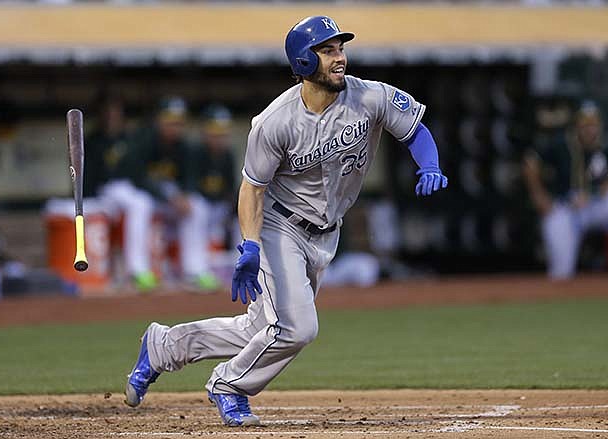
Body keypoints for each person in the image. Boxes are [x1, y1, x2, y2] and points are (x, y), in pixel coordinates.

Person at [123, 16, 448, 426]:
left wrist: (430, 164)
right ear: (304, 61)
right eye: (327, 50)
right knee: (297, 328)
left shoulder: (368, 96)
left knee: (258, 330)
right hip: (281, 226)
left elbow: (414, 129)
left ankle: (163, 347)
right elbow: (252, 188)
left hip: (327, 233)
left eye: (340, 48)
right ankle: (230, 385)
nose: (339, 57)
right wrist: (250, 245)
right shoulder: (275, 121)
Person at [133, 97, 221, 291]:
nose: (174, 126)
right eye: (170, 121)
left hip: (168, 200)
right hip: (144, 195)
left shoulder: (183, 146)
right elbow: (138, 178)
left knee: (197, 206)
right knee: (139, 205)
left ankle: (195, 271)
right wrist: (170, 197)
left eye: (178, 122)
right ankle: (138, 271)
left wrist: (184, 196)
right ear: (159, 120)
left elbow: (189, 179)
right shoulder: (145, 139)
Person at [523, 100, 608, 279]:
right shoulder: (561, 143)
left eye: (593, 124)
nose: (589, 129)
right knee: (561, 271)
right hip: (565, 208)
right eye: (585, 124)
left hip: (597, 204)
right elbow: (530, 162)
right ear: (577, 125)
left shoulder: (607, 144)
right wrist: (539, 195)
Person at [84, 94, 157, 291]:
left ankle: (137, 269)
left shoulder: (129, 138)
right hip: (102, 192)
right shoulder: (94, 140)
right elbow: (88, 174)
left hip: (125, 190)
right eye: (108, 113)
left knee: (142, 203)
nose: (112, 117)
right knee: (136, 202)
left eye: (115, 113)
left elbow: (136, 172)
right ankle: (131, 269)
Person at [191, 104, 239, 250]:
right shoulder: (196, 154)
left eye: (222, 133)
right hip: (199, 206)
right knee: (199, 209)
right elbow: (190, 187)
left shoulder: (228, 156)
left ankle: (235, 259)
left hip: (218, 208)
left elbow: (230, 188)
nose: (218, 138)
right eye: (215, 132)